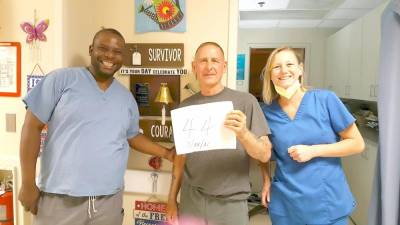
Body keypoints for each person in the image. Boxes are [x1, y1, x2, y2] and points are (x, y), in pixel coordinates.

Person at [18, 28, 174, 225]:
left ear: (123, 57)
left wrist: (167, 154)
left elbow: (132, 136)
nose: (110, 55)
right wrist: (27, 183)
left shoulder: (126, 99)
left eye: (117, 51)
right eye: (103, 48)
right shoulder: (61, 80)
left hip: (108, 202)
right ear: (91, 49)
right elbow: (31, 127)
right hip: (59, 200)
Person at [166, 42, 272, 225]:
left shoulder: (246, 102)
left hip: (231, 203)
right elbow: (180, 159)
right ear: (194, 67)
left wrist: (244, 133)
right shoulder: (184, 108)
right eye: (203, 61)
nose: (209, 66)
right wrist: (171, 199)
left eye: (215, 60)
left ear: (224, 66)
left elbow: (264, 154)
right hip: (192, 200)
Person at [260, 46, 365, 225]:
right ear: (270, 75)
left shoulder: (325, 100)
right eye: (276, 67)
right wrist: (266, 180)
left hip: (326, 199)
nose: (284, 70)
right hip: (286, 202)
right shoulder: (266, 112)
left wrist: (313, 151)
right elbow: (263, 152)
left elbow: (357, 143)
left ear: (300, 69)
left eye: (289, 64)